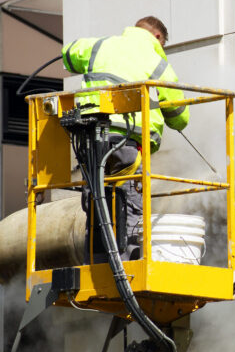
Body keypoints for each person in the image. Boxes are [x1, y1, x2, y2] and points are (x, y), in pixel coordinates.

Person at [61, 16, 189, 260]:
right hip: (127, 142)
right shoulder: (158, 63)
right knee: (128, 198)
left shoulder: (99, 46)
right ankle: (127, 262)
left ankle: (97, 260)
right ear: (158, 38)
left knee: (97, 198)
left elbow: (68, 54)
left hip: (90, 139)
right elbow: (180, 116)